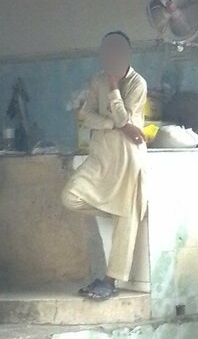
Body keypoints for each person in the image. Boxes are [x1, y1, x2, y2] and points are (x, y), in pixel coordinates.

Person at [61, 31, 147, 301]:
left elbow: (125, 117)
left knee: (127, 218)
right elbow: (87, 117)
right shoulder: (96, 80)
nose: (111, 56)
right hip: (100, 157)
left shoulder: (137, 83)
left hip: (129, 158)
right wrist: (116, 125)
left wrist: (112, 89)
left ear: (127, 54)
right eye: (107, 51)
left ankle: (111, 280)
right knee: (70, 196)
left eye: (117, 51)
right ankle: (115, 209)